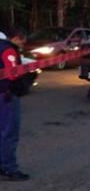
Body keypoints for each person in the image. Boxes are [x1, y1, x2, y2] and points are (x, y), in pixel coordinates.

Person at [0, 28, 29, 181]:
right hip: (7, 96)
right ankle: (9, 168)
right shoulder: (8, 50)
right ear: (17, 38)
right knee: (9, 133)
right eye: (23, 40)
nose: (23, 43)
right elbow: (12, 73)